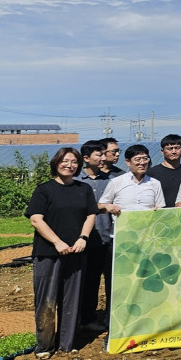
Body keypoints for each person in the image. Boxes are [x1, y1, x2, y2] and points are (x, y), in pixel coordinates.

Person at [25, 147, 97, 359]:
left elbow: (90, 215)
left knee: (72, 299)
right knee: (46, 300)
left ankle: (67, 343)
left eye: (74, 162)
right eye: (65, 161)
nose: (70, 165)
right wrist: (57, 242)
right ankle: (45, 346)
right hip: (48, 253)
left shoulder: (84, 189)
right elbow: (36, 219)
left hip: (77, 251)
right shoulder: (44, 189)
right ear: (56, 163)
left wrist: (83, 238)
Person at [76, 140, 112, 331]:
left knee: (95, 280)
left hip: (104, 237)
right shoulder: (76, 181)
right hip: (81, 238)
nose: (103, 158)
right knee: (79, 280)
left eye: (104, 154)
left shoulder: (109, 180)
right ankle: (76, 318)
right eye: (99, 155)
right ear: (86, 158)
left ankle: (89, 318)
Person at [99, 144, 166, 214]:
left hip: (148, 224)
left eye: (145, 159)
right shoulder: (116, 182)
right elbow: (101, 206)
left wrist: (158, 210)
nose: (142, 162)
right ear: (128, 162)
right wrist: (108, 206)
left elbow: (160, 207)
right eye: (138, 159)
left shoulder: (155, 183)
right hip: (122, 224)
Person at [147, 134, 181, 209]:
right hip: (159, 217)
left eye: (177, 148)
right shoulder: (151, 174)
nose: (174, 151)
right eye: (170, 149)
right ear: (162, 151)